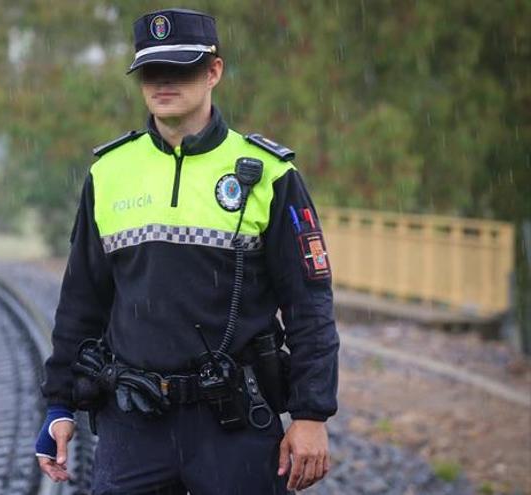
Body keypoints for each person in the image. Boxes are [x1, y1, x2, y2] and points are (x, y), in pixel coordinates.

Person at [35, 8, 339, 494]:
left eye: (181, 68)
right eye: (152, 71)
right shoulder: (108, 173)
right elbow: (82, 302)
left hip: (236, 423)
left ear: (213, 71)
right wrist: (59, 405)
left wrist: (311, 413)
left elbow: (310, 305)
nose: (164, 82)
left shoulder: (270, 174)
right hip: (131, 422)